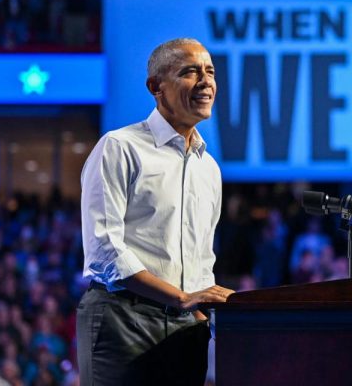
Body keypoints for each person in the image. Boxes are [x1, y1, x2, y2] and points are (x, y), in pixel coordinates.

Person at [76, 38, 234, 385]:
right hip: (122, 318)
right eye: (190, 72)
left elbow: (201, 259)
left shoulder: (209, 168)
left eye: (210, 72)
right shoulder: (120, 147)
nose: (205, 82)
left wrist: (200, 310)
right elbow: (105, 252)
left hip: (185, 328)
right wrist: (182, 297)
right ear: (156, 87)